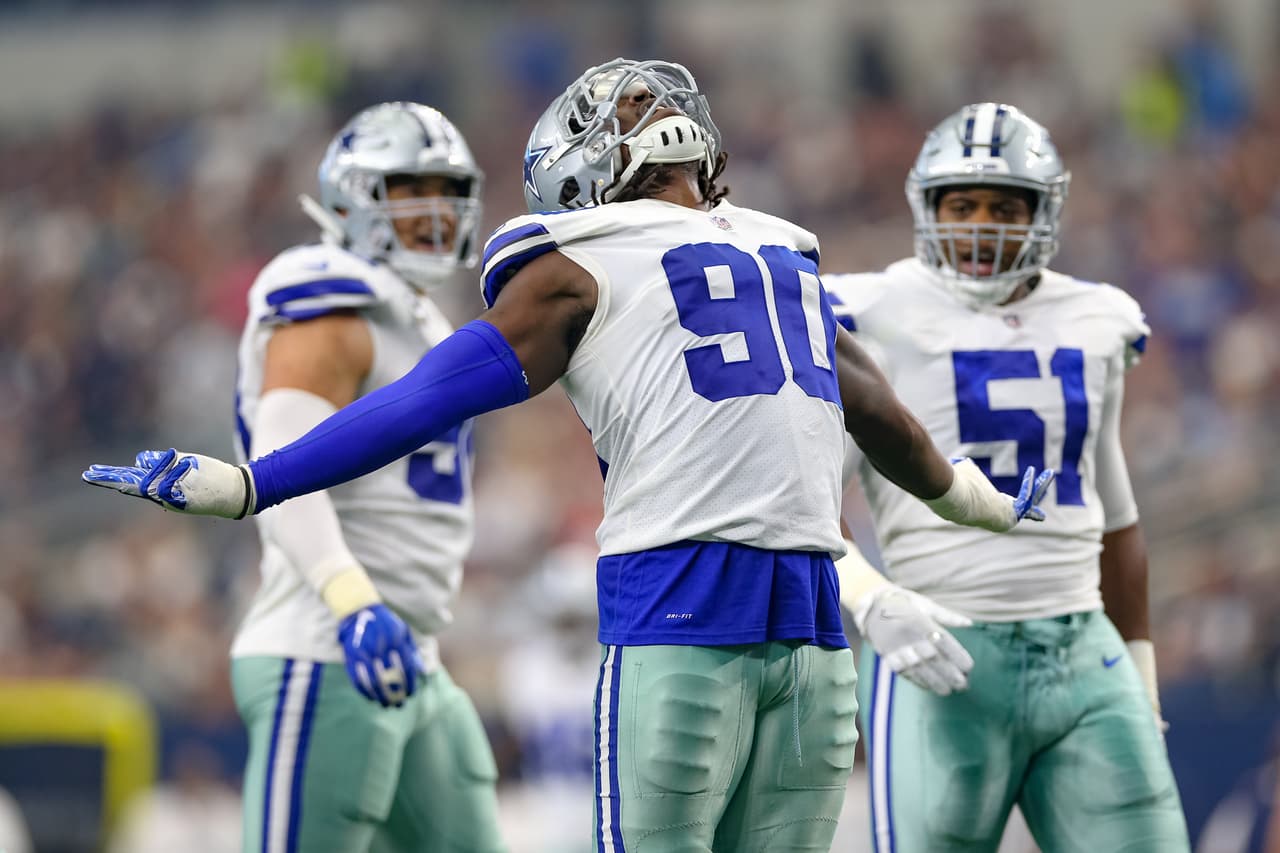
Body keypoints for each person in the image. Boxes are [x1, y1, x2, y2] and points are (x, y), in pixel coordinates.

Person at [84, 60, 1052, 850]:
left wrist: (256, 480)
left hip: (681, 611)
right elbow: (889, 424)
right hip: (811, 636)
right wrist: (984, 503)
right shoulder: (784, 255)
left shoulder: (579, 255)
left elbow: (425, 397)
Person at [824, 102, 1190, 852]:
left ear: (1043, 213)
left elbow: (1114, 512)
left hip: (1086, 653)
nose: (982, 225)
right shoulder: (868, 311)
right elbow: (801, 504)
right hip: (942, 648)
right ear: (928, 208)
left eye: (1003, 206)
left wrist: (1140, 671)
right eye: (962, 205)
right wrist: (870, 599)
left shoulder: (1098, 318)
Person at [175, 102, 505, 852]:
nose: (435, 209)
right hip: (328, 645)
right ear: (352, 196)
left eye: (447, 189)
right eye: (408, 186)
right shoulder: (329, 300)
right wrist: (353, 602)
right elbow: (283, 475)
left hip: (413, 650)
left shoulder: (422, 315)